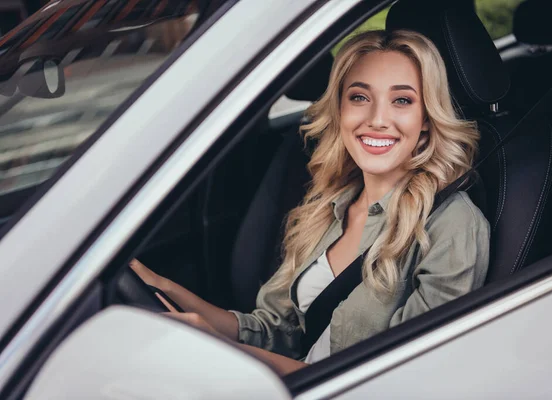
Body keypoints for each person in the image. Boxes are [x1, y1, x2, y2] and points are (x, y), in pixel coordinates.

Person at [131, 29, 490, 375]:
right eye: (360, 97)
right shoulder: (330, 206)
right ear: (339, 110)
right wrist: (164, 287)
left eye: (402, 100)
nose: (378, 120)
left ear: (426, 120)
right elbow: (276, 331)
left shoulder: (451, 224)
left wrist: (225, 352)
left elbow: (401, 379)